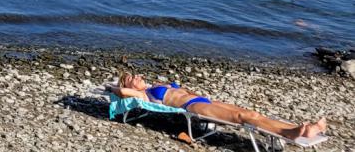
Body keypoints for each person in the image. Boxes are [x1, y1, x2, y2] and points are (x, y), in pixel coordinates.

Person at [106, 73, 326, 141]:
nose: (138, 76)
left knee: (251, 113)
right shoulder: (142, 94)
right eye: (133, 77)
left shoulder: (155, 85)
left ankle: (296, 128)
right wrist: (113, 87)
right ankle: (295, 132)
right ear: (129, 84)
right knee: (241, 117)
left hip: (203, 100)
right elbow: (123, 93)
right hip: (192, 107)